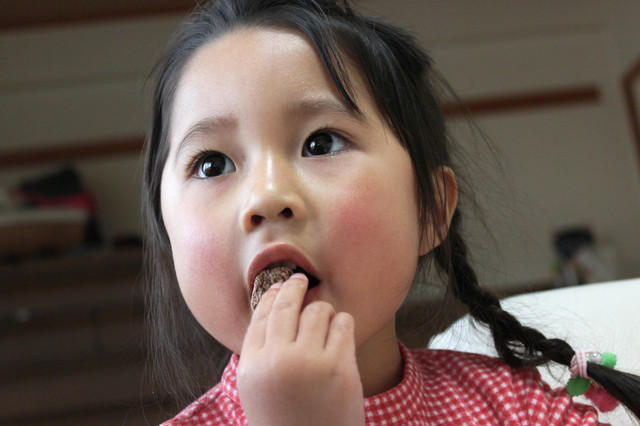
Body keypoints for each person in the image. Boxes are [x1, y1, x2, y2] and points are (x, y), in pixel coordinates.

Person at [142, 0, 640, 424]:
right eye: (211, 164)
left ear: (430, 210)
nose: (266, 197)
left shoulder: (523, 410)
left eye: (321, 143)